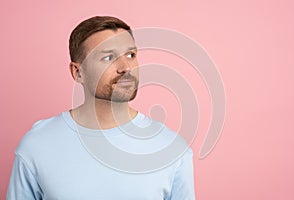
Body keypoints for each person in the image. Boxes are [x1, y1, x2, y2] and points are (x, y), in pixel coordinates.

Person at [7, 16, 195, 200]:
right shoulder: (37, 145)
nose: (125, 67)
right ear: (78, 72)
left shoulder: (172, 149)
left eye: (131, 55)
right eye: (108, 57)